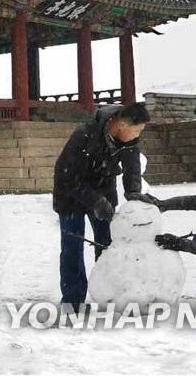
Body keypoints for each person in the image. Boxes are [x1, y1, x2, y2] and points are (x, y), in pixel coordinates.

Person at [53, 102, 152, 309]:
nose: (137, 135)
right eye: (137, 130)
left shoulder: (129, 139)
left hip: (104, 188)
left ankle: (107, 294)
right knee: (72, 247)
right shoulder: (85, 135)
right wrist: (96, 201)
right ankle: (73, 300)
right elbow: (70, 179)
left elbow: (132, 167)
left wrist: (133, 192)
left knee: (108, 245)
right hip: (70, 195)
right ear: (122, 125)